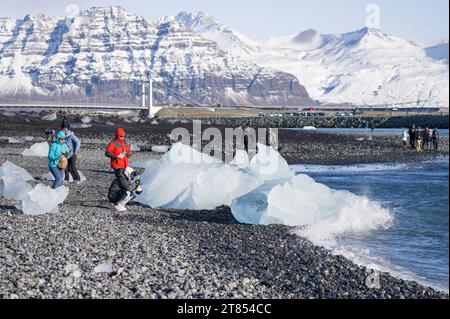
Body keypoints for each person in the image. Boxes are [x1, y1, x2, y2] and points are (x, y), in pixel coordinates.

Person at [61, 118, 82, 183]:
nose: (64, 129)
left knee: (72, 167)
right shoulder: (62, 136)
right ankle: (66, 179)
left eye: (65, 128)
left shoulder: (71, 135)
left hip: (72, 153)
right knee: (66, 167)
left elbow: (78, 142)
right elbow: (61, 143)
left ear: (68, 128)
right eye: (64, 128)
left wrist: (76, 151)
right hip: (65, 153)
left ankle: (77, 179)